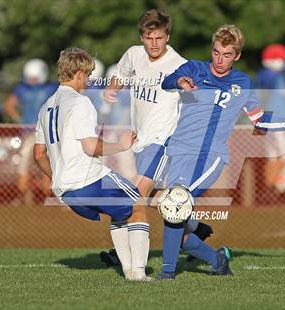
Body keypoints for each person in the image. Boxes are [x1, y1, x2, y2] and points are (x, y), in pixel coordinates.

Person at [159, 24, 285, 279]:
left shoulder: (241, 82)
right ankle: (217, 259)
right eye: (216, 52)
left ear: (237, 56)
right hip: (179, 150)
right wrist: (178, 80)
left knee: (175, 203)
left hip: (210, 156)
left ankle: (167, 274)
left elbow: (258, 119)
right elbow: (166, 82)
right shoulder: (194, 68)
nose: (219, 60)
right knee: (174, 217)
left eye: (226, 54)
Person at [100, 9, 213, 267]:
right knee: (154, 198)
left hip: (162, 141)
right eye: (149, 37)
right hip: (139, 140)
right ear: (141, 36)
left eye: (159, 38)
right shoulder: (133, 54)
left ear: (168, 36)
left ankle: (124, 255)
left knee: (134, 197)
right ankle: (194, 227)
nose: (154, 43)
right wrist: (112, 89)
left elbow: (199, 97)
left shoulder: (178, 64)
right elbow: (122, 73)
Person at [33, 47, 151, 281]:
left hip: (65, 190)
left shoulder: (46, 106)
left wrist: (59, 176)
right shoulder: (80, 102)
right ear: (78, 74)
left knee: (119, 213)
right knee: (138, 204)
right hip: (88, 179)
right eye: (86, 75)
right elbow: (91, 147)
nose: (87, 81)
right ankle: (138, 273)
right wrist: (121, 145)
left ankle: (129, 271)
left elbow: (38, 154)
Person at [3, 58, 58, 204]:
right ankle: (27, 199)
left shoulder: (51, 88)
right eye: (30, 78)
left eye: (35, 78)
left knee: (46, 163)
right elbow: (9, 105)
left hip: (47, 133)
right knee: (25, 163)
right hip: (29, 133)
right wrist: (19, 119)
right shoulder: (22, 89)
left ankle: (47, 196)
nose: (32, 81)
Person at [256, 44, 285, 188]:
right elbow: (264, 95)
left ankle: (269, 189)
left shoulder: (279, 77)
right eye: (281, 59)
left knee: (272, 156)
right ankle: (270, 185)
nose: (284, 63)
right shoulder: (270, 74)